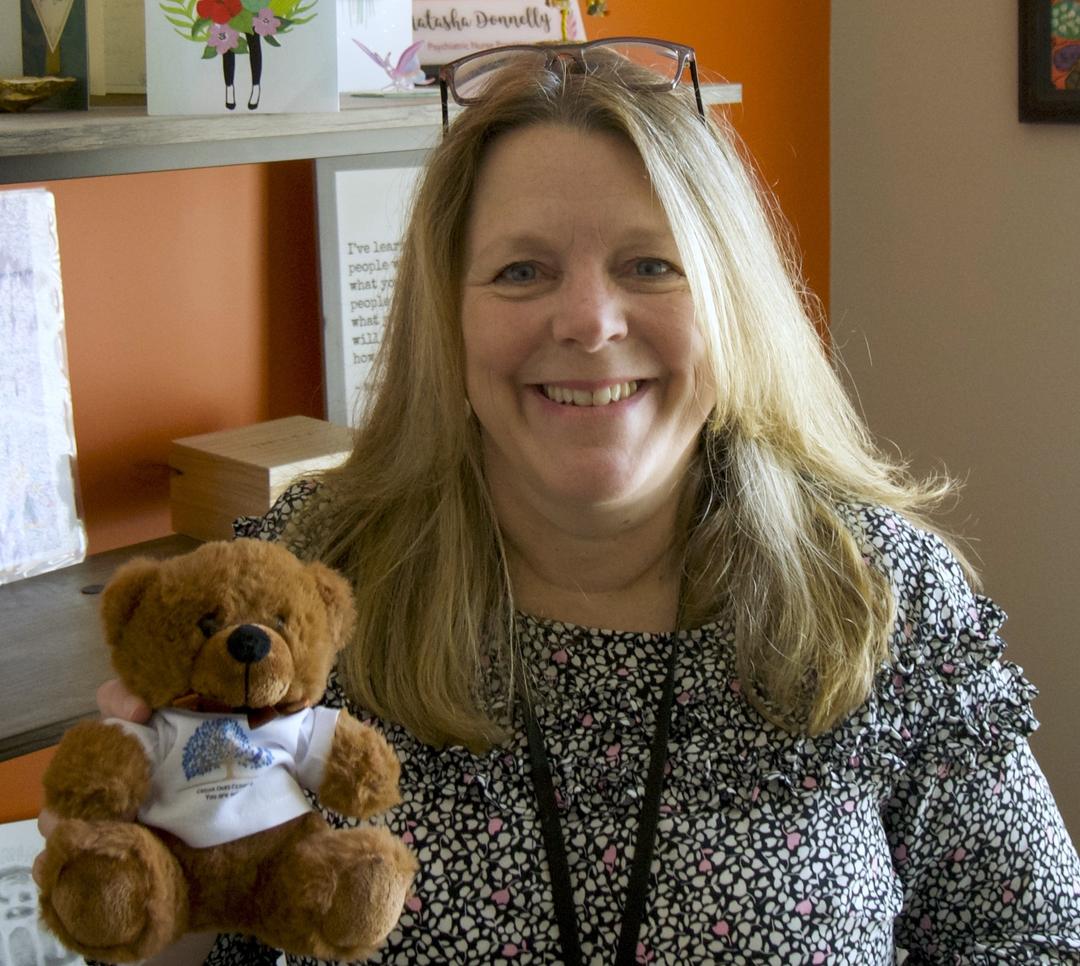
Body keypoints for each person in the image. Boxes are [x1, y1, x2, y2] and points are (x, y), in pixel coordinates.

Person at [53, 38, 1080, 964]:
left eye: (649, 265)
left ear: (730, 306)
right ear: (445, 318)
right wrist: (154, 880)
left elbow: (1032, 935)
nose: (589, 322)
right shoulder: (305, 589)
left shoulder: (878, 593)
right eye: (521, 271)